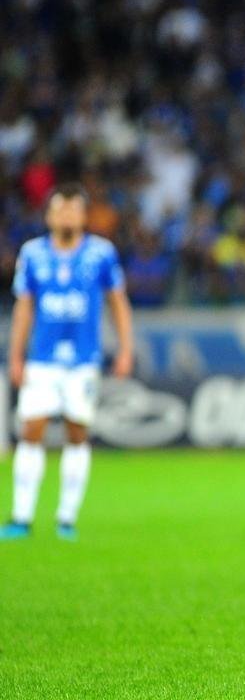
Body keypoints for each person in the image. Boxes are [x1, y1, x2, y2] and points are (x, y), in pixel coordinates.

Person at [1, 184, 134, 542]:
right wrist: (16, 356)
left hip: (83, 360)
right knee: (31, 430)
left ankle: (66, 518)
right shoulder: (33, 254)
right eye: (60, 210)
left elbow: (118, 302)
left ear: (84, 216)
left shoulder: (100, 254)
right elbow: (24, 307)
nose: (67, 216)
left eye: (74, 210)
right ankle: (21, 516)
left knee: (77, 434)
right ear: (48, 215)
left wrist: (125, 350)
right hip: (42, 359)